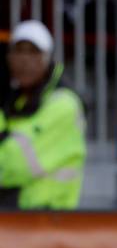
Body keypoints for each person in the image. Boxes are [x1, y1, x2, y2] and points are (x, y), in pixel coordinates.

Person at [0, 20, 86, 210]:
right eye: (18, 51)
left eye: (33, 52)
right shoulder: (14, 100)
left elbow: (14, 165)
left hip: (48, 222)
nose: (24, 60)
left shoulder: (64, 104)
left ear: (48, 59)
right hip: (14, 219)